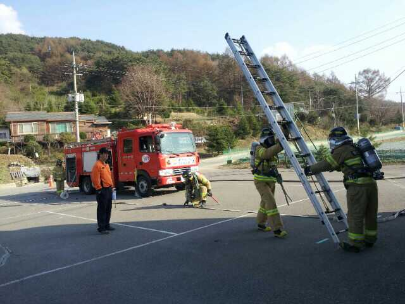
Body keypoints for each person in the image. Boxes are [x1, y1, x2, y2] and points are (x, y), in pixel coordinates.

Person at [304, 127, 378, 252]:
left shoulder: (341, 150)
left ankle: (355, 243)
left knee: (355, 215)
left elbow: (326, 163)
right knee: (370, 214)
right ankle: (370, 239)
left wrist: (310, 169)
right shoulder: (354, 147)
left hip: (357, 186)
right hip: (371, 184)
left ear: (335, 140)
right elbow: (351, 164)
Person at [253, 127, 288, 238]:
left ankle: (261, 223)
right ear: (264, 139)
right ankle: (277, 229)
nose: (272, 141)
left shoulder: (272, 147)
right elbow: (266, 154)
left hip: (271, 180)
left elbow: (282, 141)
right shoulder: (260, 148)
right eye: (270, 139)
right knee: (271, 203)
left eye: (273, 139)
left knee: (265, 203)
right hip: (261, 181)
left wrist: (285, 130)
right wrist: (280, 145)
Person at [91, 147, 115, 235]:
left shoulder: (106, 165)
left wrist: (112, 187)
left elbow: (109, 177)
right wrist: (99, 189)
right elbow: (95, 178)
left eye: (107, 154)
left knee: (108, 208)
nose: (106, 155)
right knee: (102, 209)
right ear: (100, 154)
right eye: (105, 153)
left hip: (108, 189)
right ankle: (101, 227)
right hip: (102, 190)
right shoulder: (97, 165)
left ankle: (107, 224)